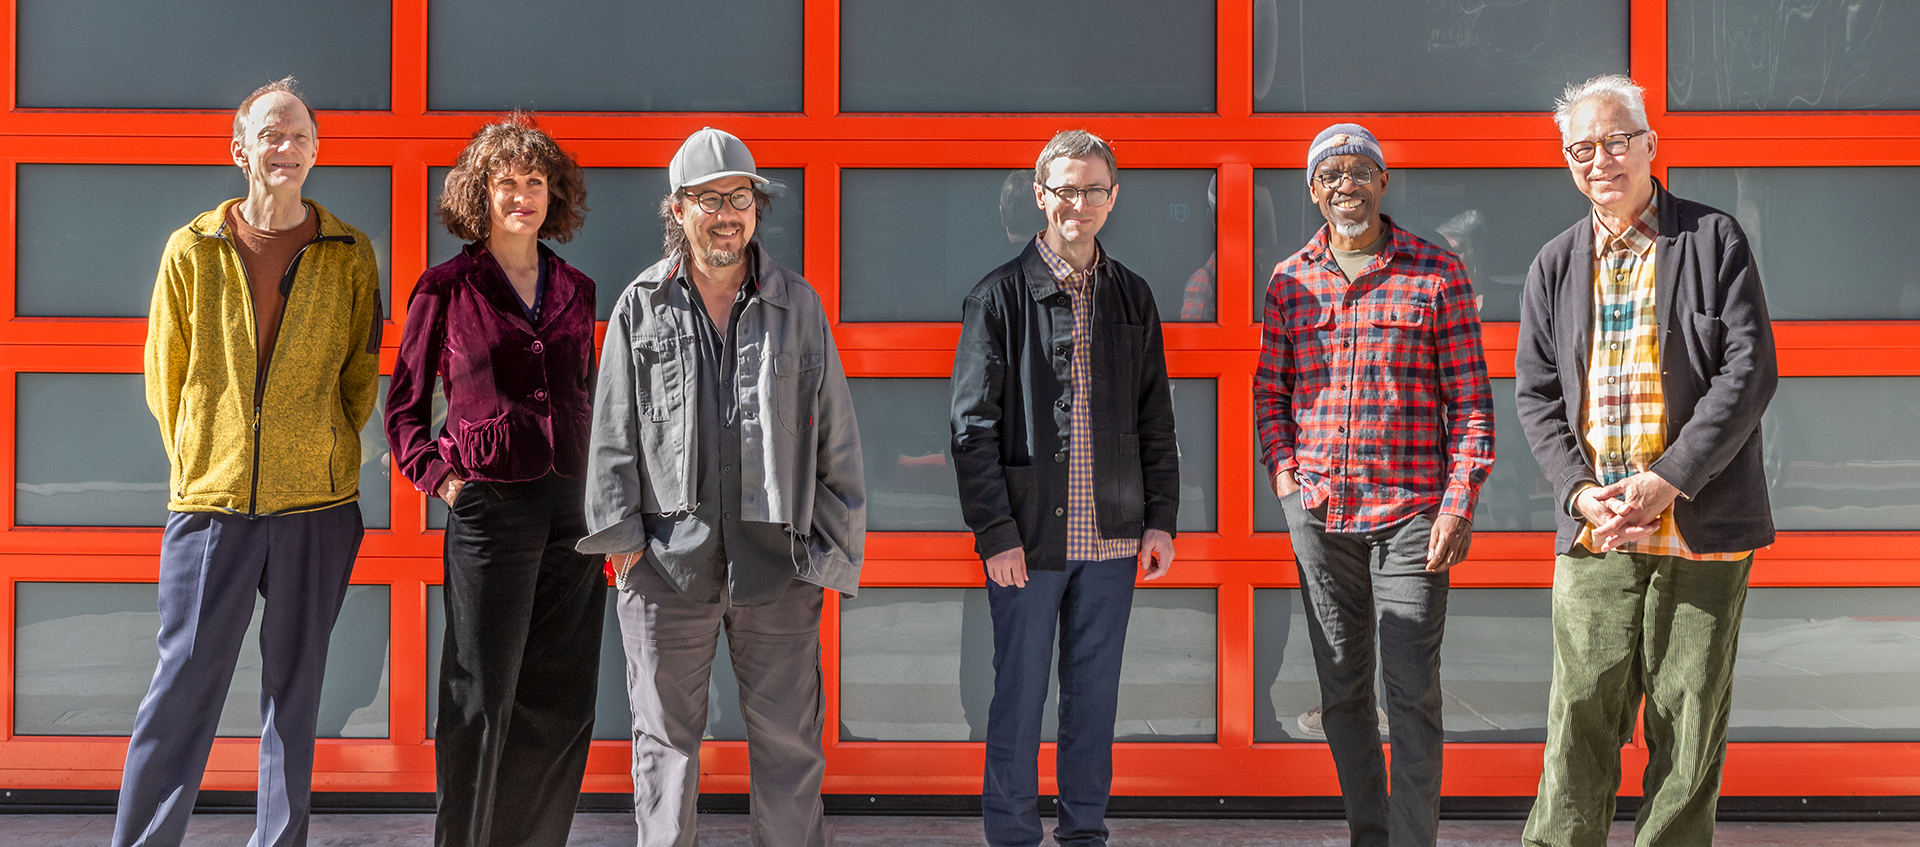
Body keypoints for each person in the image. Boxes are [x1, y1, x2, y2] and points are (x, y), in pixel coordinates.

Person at [579, 127, 864, 847]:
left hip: (777, 568)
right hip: (667, 567)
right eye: (709, 199)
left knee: (791, 751)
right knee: (665, 750)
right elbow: (612, 434)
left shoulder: (798, 306)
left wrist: (825, 550)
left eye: (739, 197)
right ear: (677, 209)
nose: (726, 212)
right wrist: (625, 550)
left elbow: (837, 440)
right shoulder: (639, 305)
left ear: (757, 208)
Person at [118, 76, 382, 847]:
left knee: (293, 698)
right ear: (240, 150)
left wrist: (319, 449)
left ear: (315, 152)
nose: (285, 147)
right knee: (181, 689)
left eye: (299, 135)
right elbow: (165, 380)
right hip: (212, 507)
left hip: (317, 510)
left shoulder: (348, 253)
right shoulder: (192, 249)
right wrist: (211, 456)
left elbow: (359, 377)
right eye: (270, 133)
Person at [1516, 74, 1777, 847]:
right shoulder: (1553, 265)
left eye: (1616, 141)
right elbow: (1535, 395)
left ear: (1651, 147)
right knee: (1577, 725)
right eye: (1582, 147)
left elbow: (1749, 371)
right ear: (1569, 161)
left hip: (1700, 530)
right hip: (1598, 535)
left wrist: (1669, 481)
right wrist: (1578, 491)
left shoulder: (1713, 239)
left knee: (1688, 726)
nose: (1601, 159)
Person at [1253, 123, 1495, 847]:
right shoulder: (1290, 280)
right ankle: (1370, 834)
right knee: (1343, 690)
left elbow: (1472, 403)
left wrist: (1459, 502)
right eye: (1330, 176)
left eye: (1359, 172)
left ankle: (1412, 839)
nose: (1346, 186)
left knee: (1410, 693)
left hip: (1413, 516)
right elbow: (1271, 392)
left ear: (1383, 182)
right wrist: (1286, 479)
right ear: (1314, 192)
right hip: (1322, 516)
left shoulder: (1435, 272)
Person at [950, 129, 1180, 847]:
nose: (1077, 202)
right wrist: (996, 534)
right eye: (1064, 188)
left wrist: (1160, 518)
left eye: (1092, 188)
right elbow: (970, 428)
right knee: (1018, 699)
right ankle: (1013, 834)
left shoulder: (1132, 296)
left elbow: (1155, 418)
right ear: (1041, 196)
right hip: (1029, 541)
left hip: (1111, 536)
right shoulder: (999, 296)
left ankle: (1084, 833)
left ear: (1112, 198)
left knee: (1093, 701)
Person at [385, 113, 600, 847]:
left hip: (573, 513)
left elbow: (588, 395)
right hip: (489, 510)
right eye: (506, 182)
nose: (522, 196)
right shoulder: (446, 287)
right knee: (479, 698)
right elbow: (404, 411)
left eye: (535, 182)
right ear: (480, 193)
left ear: (553, 193)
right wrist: (447, 483)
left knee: (561, 699)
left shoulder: (577, 287)